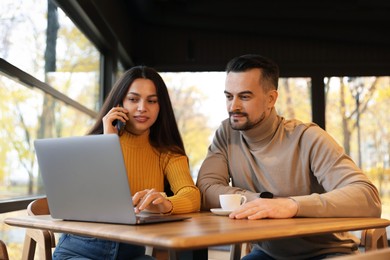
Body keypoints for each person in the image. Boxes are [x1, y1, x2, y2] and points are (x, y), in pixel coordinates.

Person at [196, 54, 382, 259]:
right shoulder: (226, 134)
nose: (234, 107)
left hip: (325, 252)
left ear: (271, 99)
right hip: (268, 254)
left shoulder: (307, 137)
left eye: (245, 96)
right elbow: (206, 188)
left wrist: (292, 205)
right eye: (229, 96)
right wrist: (261, 201)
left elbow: (367, 197)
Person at [53, 65, 200, 260]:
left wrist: (166, 205)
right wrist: (108, 141)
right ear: (120, 103)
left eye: (152, 101)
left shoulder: (168, 154)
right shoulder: (93, 143)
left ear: (160, 106)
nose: (142, 108)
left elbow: (192, 196)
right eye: (133, 99)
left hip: (130, 253)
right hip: (79, 249)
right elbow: (77, 197)